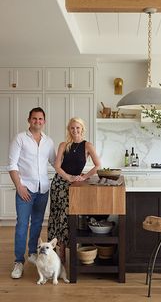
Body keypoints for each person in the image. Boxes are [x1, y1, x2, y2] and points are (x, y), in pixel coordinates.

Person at [8, 107, 56, 279]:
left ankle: (32, 255)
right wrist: (19, 186)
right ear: (29, 120)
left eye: (40, 119)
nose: (37, 121)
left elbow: (55, 162)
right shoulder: (20, 139)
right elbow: (12, 165)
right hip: (25, 189)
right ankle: (18, 262)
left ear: (44, 121)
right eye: (34, 118)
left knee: (36, 224)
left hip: (43, 189)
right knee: (22, 225)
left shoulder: (48, 141)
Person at [48, 117, 100, 263]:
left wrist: (84, 177)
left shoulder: (88, 146)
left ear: (82, 129)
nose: (75, 130)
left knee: (69, 217)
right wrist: (69, 178)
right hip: (59, 185)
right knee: (57, 217)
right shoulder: (63, 145)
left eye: (78, 128)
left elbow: (97, 165)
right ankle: (61, 252)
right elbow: (57, 166)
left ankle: (69, 249)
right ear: (69, 129)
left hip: (74, 186)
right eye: (72, 128)